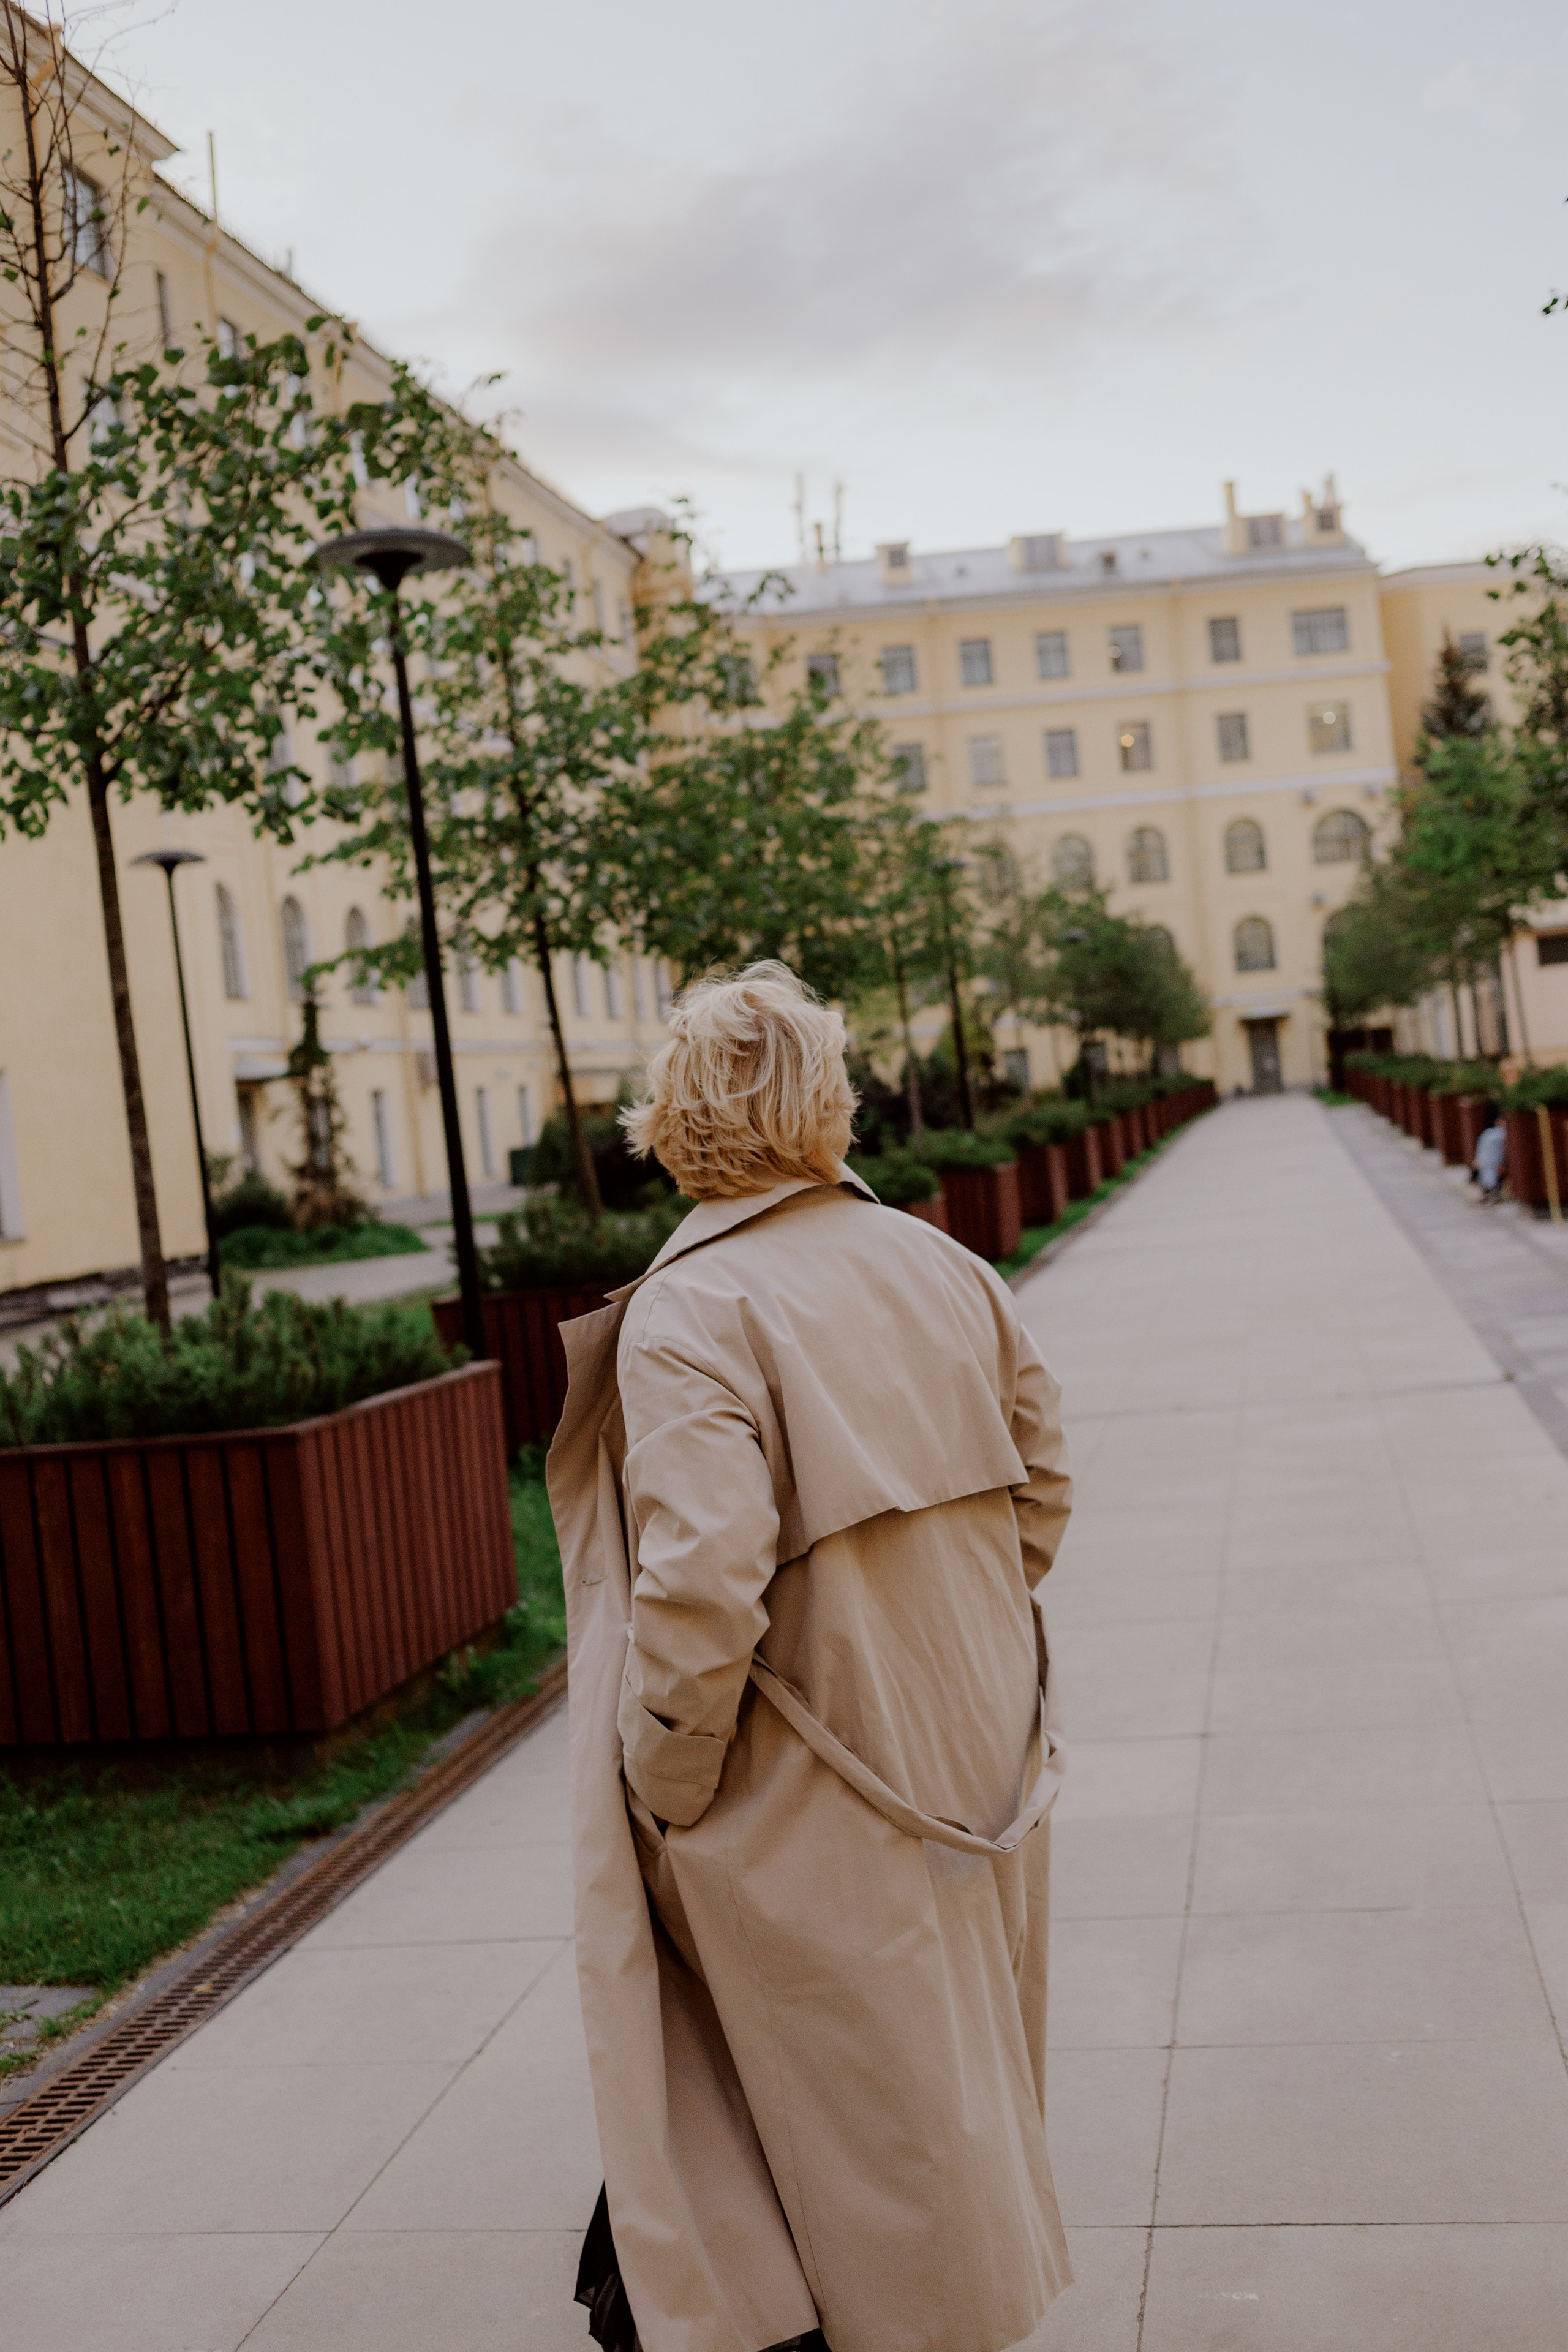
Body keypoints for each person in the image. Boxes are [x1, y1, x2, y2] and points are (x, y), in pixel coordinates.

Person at [549, 963, 1074, 2352]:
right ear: (828, 1101)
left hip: (793, 1776)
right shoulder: (938, 1261)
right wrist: (931, 1633)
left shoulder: (690, 1311)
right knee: (934, 2095)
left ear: (672, 1119)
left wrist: (667, 1779)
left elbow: (701, 1585)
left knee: (800, 2131)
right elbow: (1044, 1485)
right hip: (962, 1749)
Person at [1474, 1105, 1507, 1202]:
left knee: (1487, 1177)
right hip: (1492, 1164)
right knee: (1489, 1178)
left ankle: (1489, 1192)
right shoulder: (1498, 1135)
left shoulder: (1489, 1133)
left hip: (1488, 1163)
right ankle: (1491, 1193)